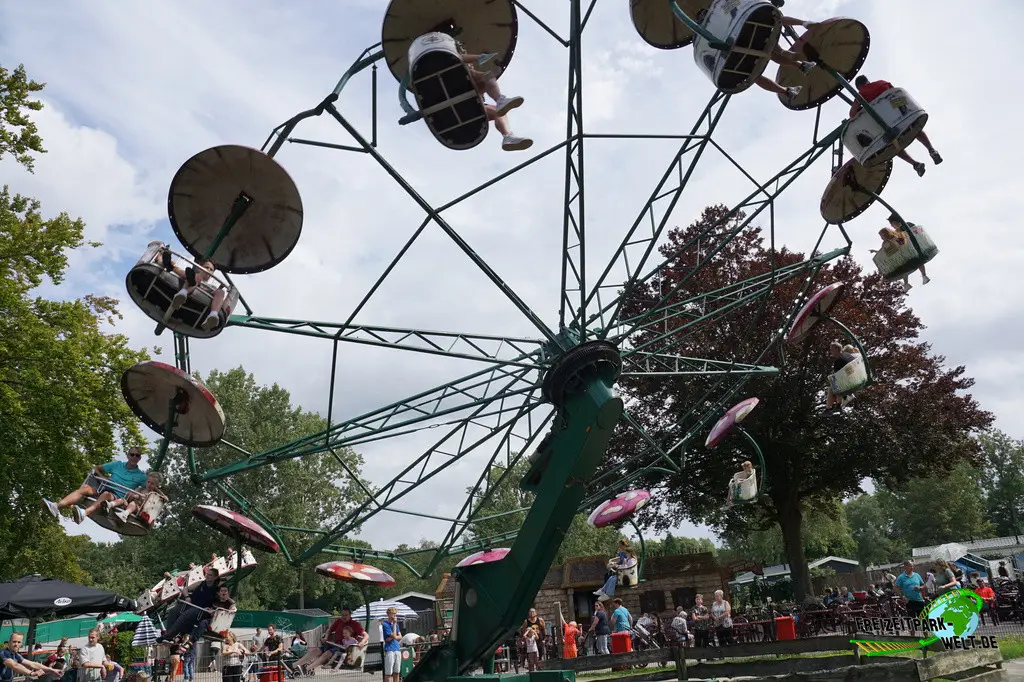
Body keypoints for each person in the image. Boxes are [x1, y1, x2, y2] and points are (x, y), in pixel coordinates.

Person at [849, 75, 942, 177]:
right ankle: (931, 149)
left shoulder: (862, 93)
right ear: (868, 81)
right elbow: (895, 95)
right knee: (915, 127)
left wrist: (863, 109)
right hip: (899, 114)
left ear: (859, 87)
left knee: (893, 146)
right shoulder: (883, 82)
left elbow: (852, 114)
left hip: (885, 122)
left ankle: (915, 164)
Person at [454, 42, 532, 152]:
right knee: (484, 76)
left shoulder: (471, 78)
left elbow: (480, 86)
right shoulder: (456, 67)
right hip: (460, 107)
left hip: (471, 108)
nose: (471, 64)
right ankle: (500, 100)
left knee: (499, 112)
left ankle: (507, 136)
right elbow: (458, 58)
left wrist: (491, 73)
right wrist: (479, 58)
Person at [43, 447, 148, 524]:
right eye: (132, 454)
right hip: (103, 486)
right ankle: (56, 506)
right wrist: (102, 477)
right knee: (84, 489)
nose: (134, 457)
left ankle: (84, 513)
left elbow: (149, 489)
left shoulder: (141, 476)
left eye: (137, 455)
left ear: (139, 458)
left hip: (117, 496)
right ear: (128, 455)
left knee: (106, 495)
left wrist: (137, 495)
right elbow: (96, 468)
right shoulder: (117, 465)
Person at [158, 248, 229, 332]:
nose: (208, 271)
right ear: (200, 267)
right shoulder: (194, 275)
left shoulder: (211, 286)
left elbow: (215, 294)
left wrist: (220, 289)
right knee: (195, 277)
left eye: (211, 270)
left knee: (220, 292)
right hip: (192, 283)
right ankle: (182, 293)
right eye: (206, 267)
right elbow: (182, 273)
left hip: (203, 293)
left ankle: (213, 315)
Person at [825, 341, 858, 410]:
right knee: (836, 383)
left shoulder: (838, 361)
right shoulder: (847, 355)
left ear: (837, 349)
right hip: (856, 379)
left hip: (849, 383)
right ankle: (840, 403)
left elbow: (837, 377)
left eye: (831, 349)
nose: (830, 351)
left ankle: (830, 408)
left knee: (832, 387)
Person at [382, 607, 402, 682]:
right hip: (390, 649)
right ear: (389, 614)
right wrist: (394, 625)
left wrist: (392, 637)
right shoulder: (385, 624)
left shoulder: (396, 626)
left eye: (395, 614)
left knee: (397, 672)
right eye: (393, 614)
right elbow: (394, 635)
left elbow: (400, 636)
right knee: (388, 673)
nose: (395, 615)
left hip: (397, 648)